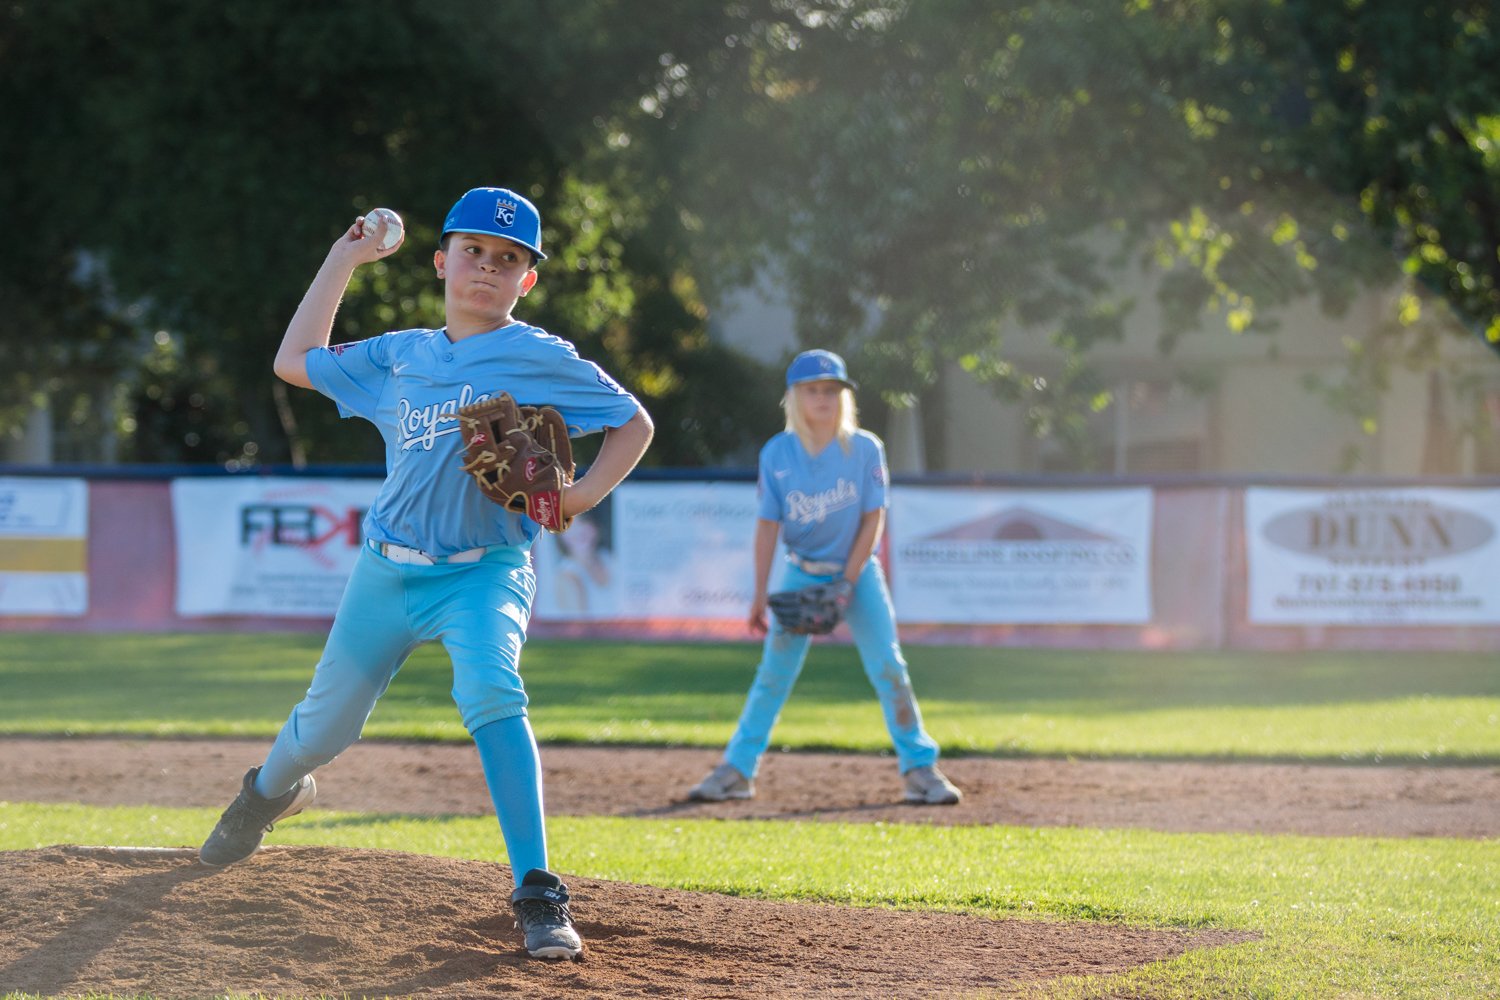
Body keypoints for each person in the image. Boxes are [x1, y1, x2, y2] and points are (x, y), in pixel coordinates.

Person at [197, 187, 653, 963]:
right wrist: (345, 258)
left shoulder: (539, 356)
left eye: (508, 258)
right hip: (385, 572)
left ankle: (539, 891)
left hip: (485, 572)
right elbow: (292, 362)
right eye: (473, 251)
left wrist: (576, 499)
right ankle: (265, 795)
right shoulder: (401, 355)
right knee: (324, 727)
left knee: (492, 689)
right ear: (442, 262)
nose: (488, 267)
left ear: (526, 280)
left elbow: (633, 423)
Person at [687, 349, 961, 806]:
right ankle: (737, 769)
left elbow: (873, 519)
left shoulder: (865, 448)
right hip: (802, 573)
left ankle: (919, 768)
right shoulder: (778, 453)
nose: (823, 398)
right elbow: (767, 527)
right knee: (773, 676)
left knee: (889, 667)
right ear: (795, 397)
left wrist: (847, 583)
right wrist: (759, 593)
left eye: (832, 390)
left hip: (859, 574)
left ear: (843, 396)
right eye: (813, 390)